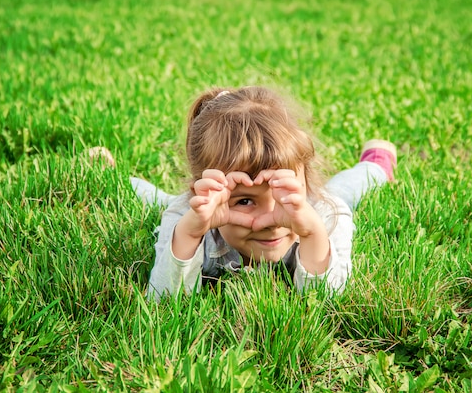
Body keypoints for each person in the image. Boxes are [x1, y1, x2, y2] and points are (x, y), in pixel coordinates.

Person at [106, 86, 396, 301]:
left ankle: (377, 162)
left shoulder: (325, 216)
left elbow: (327, 300)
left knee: (343, 190)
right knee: (165, 203)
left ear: (303, 180)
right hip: (191, 211)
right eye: (245, 201)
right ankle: (109, 170)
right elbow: (165, 301)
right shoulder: (189, 216)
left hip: (321, 203)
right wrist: (191, 233)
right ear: (205, 193)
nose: (268, 219)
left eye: (281, 192)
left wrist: (311, 235)